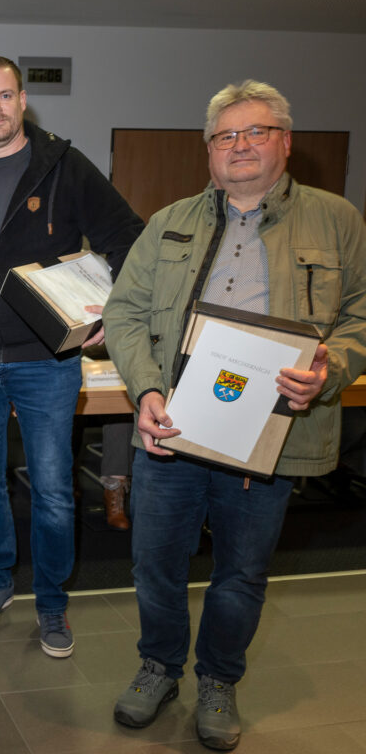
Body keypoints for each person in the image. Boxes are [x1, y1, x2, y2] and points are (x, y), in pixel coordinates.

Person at [103, 80, 366, 751]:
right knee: (155, 564)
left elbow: (360, 316)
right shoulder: (169, 222)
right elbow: (124, 313)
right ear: (209, 151)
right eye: (226, 136)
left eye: (255, 132)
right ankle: (160, 666)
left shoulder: (336, 220)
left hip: (272, 436)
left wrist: (328, 369)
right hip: (175, 428)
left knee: (242, 572)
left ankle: (219, 678)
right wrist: (146, 390)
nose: (240, 146)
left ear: (284, 141)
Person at [0, 56, 142, 657]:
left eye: (5, 96)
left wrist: (110, 313)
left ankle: (52, 604)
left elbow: (127, 237)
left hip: (47, 360)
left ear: (23, 101)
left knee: (52, 488)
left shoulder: (64, 167)